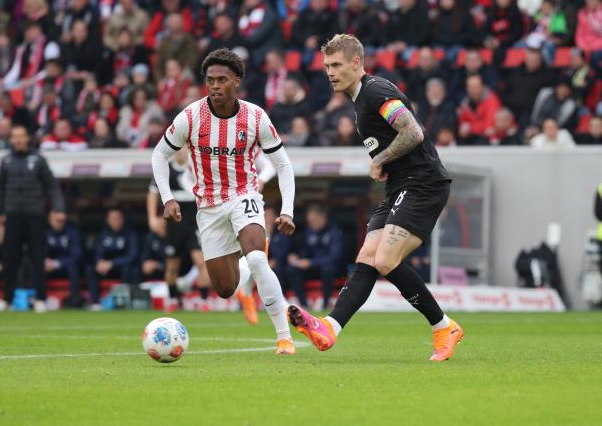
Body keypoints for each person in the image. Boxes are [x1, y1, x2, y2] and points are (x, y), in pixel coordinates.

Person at [287, 34, 464, 362]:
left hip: (423, 183)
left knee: (385, 259)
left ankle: (444, 327)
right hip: (400, 184)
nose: (330, 72)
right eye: (326, 66)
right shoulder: (358, 98)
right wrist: (387, 162)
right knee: (368, 255)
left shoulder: (375, 91)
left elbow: (413, 132)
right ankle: (330, 326)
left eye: (337, 65)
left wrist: (380, 159)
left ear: (357, 63)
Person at [152, 48, 297, 355]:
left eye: (222, 80)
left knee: (258, 257)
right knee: (224, 289)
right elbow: (159, 155)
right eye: (210, 80)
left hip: (244, 195)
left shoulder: (255, 117)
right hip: (208, 207)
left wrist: (287, 211)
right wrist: (167, 199)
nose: (215, 85)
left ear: (237, 82)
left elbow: (283, 165)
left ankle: (284, 337)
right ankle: (245, 281)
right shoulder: (190, 117)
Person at [0, 125, 66, 313]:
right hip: (13, 217)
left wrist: (58, 208)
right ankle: (7, 299)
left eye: (21, 136)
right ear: (11, 139)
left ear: (28, 138)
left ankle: (40, 299)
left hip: (35, 216)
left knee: (37, 258)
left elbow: (52, 186)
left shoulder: (38, 159)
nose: (18, 140)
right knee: (10, 260)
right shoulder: (6, 161)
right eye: (14, 136)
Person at [147, 148, 212, 310]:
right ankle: (174, 300)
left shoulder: (196, 168)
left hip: (194, 223)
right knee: (172, 264)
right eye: (177, 147)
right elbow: (152, 193)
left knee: (201, 262)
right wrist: (152, 218)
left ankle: (204, 301)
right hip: (174, 225)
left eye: (183, 147)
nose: (180, 151)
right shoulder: (166, 169)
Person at [286, 204, 343, 309]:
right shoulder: (309, 232)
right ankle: (303, 304)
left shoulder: (334, 232)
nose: (311, 223)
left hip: (331, 269)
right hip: (312, 268)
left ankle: (326, 304)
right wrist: (296, 257)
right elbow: (304, 252)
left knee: (328, 269)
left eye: (314, 220)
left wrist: (311, 262)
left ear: (323, 217)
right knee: (291, 269)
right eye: (309, 220)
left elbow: (335, 256)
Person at [85, 208, 139, 310]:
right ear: (108, 220)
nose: (115, 221)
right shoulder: (103, 234)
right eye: (112, 218)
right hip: (105, 269)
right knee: (90, 269)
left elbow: (132, 255)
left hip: (122, 267)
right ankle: (96, 303)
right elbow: (97, 252)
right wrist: (100, 262)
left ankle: (124, 302)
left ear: (122, 219)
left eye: (117, 218)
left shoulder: (130, 234)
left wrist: (112, 263)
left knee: (129, 269)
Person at [45, 211, 83, 306]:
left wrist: (57, 263)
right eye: (55, 219)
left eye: (60, 220)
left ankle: (74, 299)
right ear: (49, 220)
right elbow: (38, 251)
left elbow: (76, 255)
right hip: (49, 268)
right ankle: (39, 299)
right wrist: (44, 261)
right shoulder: (44, 233)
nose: (58, 222)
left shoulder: (72, 233)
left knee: (73, 267)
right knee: (37, 266)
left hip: (65, 267)